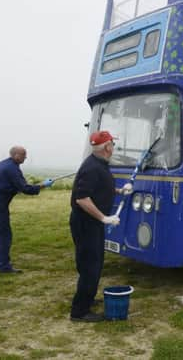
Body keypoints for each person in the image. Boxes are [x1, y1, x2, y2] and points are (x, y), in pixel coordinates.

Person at [69, 130, 127, 323]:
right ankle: (79, 312)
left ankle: (86, 299)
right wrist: (104, 218)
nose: (114, 148)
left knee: (92, 263)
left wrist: (119, 190)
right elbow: (82, 198)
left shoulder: (99, 164)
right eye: (113, 144)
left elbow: (98, 189)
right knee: (90, 266)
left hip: (91, 223)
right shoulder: (92, 168)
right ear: (107, 147)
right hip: (86, 223)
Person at [0, 146, 53, 273]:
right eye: (24, 155)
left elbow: (10, 184)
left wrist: (14, 188)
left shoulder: (3, 164)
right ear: (16, 155)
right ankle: (4, 267)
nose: (26, 157)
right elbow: (25, 188)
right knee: (3, 235)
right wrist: (42, 186)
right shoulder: (11, 168)